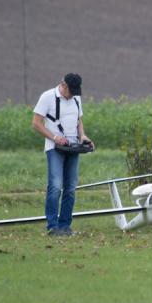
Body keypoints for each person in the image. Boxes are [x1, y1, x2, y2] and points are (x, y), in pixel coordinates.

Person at [32, 73, 94, 236]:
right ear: (63, 85)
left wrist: (83, 137)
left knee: (71, 188)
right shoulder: (47, 97)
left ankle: (65, 226)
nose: (72, 94)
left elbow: (78, 121)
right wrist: (55, 138)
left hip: (73, 147)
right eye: (70, 90)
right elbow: (36, 123)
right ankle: (53, 227)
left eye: (75, 91)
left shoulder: (75, 98)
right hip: (54, 148)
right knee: (55, 186)